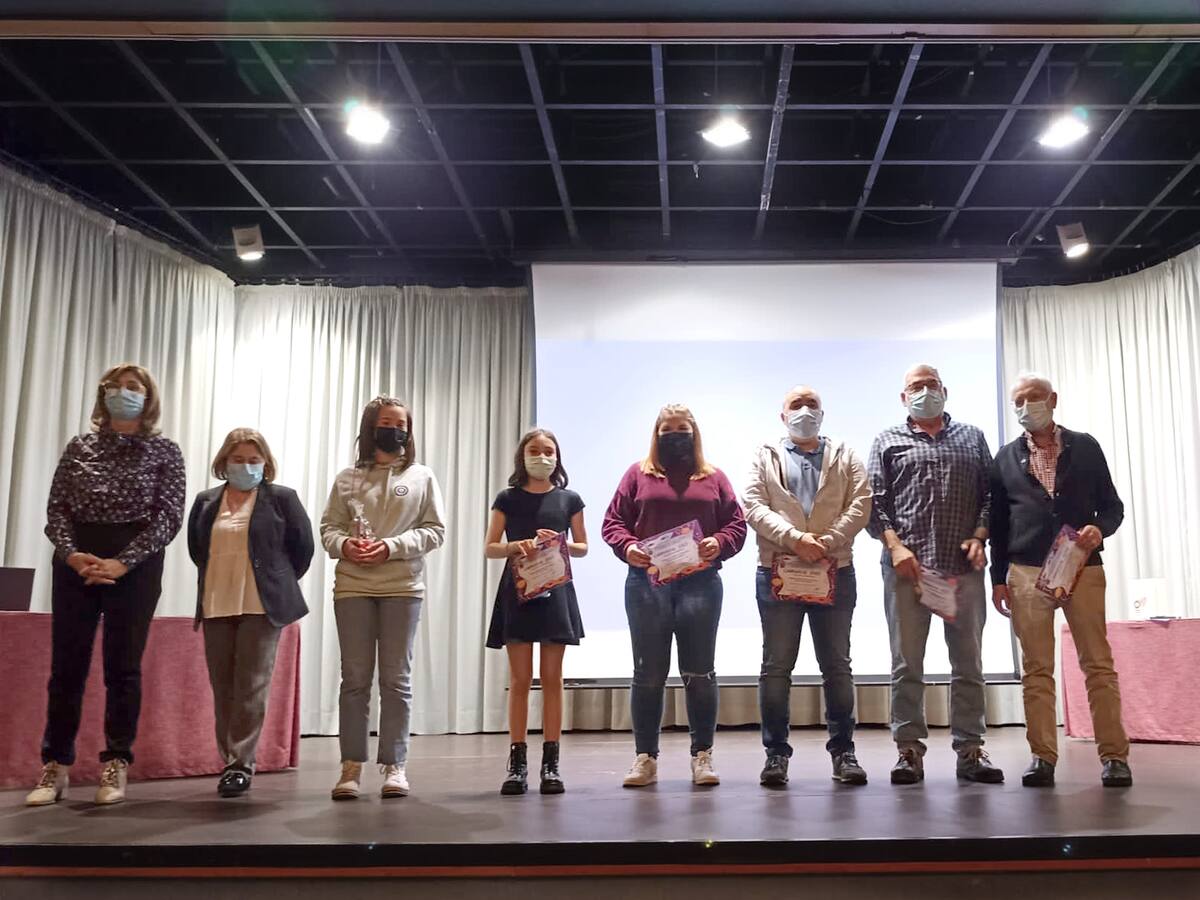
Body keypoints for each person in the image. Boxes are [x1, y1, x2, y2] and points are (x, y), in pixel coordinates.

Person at [26, 364, 185, 807]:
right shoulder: (79, 446)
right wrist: (72, 553)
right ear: (103, 395)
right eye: (115, 386)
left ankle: (116, 760)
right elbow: (56, 506)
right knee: (67, 668)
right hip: (76, 557)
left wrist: (122, 563)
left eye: (133, 387)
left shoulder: (165, 451)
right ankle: (55, 764)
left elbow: (169, 517)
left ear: (148, 397)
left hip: (134, 562)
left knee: (123, 667)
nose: (122, 393)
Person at [989, 372, 1131, 788]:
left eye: (1033, 399)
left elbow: (1113, 506)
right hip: (1026, 571)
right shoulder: (1004, 458)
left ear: (1053, 400)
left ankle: (1115, 757)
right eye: (1018, 401)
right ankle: (1042, 757)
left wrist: (1099, 530)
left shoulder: (1085, 447)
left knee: (1098, 664)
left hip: (1083, 567)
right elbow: (999, 524)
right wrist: (999, 579)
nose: (1025, 407)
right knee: (1036, 669)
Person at [867, 364, 1003, 785]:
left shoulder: (973, 437)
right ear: (902, 396)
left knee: (968, 663)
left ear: (945, 390)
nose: (924, 391)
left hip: (962, 569)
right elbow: (875, 503)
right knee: (907, 663)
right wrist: (895, 547)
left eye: (930, 385)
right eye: (915, 386)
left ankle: (971, 749)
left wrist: (981, 534)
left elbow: (990, 495)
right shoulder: (886, 440)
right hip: (908, 570)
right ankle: (909, 750)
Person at [601, 403, 746, 788]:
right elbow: (612, 522)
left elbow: (737, 523)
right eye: (668, 429)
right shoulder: (637, 474)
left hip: (701, 584)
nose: (676, 435)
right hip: (647, 584)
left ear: (695, 433)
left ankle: (702, 756)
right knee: (648, 673)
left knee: (700, 672)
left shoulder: (714, 477)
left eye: (683, 428)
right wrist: (628, 547)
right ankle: (645, 759)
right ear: (656, 433)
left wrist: (720, 541)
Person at [743, 385, 872, 788]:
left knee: (837, 667)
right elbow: (752, 504)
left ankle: (844, 752)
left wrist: (827, 542)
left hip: (836, 570)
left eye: (811, 404)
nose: (804, 410)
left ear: (823, 412)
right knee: (777, 668)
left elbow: (861, 502)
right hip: (779, 571)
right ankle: (776, 755)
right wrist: (795, 539)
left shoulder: (846, 455)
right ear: (782, 416)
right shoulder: (764, 455)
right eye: (795, 405)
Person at [320, 397, 446, 801]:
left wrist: (391, 547)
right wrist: (345, 545)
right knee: (355, 679)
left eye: (401, 423)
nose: (395, 430)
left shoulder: (422, 476)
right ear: (371, 429)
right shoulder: (347, 478)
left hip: (402, 589)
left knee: (397, 680)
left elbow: (434, 531)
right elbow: (327, 529)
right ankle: (350, 766)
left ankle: (394, 764)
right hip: (353, 588)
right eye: (386, 423)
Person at [187, 428, 314, 798]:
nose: (246, 466)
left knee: (252, 686)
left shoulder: (282, 499)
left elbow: (301, 550)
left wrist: (275, 581)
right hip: (216, 602)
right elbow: (198, 549)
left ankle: (241, 764)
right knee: (223, 686)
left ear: (266, 463)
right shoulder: (206, 500)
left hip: (262, 606)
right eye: (238, 459)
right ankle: (229, 759)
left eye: (253, 460)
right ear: (224, 463)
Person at [484, 428, 588, 796]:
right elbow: (490, 547)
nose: (542, 456)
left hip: (556, 590)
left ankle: (551, 764)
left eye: (548, 450)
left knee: (553, 679)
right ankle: (516, 764)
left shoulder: (569, 498)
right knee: (521, 680)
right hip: (519, 590)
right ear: (522, 455)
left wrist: (558, 543)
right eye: (534, 450)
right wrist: (518, 545)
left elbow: (583, 547)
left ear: (557, 457)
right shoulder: (507, 498)